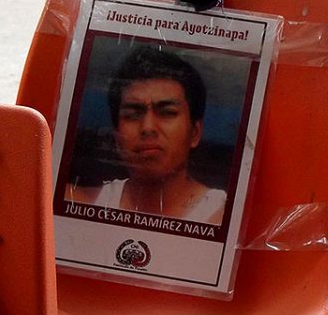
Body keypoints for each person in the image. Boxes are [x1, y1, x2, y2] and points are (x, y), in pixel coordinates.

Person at [66, 45, 227, 225]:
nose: (148, 127)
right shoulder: (76, 204)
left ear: (195, 133)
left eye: (167, 112)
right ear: (117, 135)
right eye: (133, 114)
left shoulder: (225, 218)